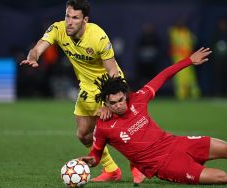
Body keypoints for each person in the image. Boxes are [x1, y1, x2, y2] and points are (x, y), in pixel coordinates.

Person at [80, 47, 227, 185]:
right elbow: (96, 155)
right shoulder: (105, 126)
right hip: (165, 166)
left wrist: (188, 61)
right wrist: (87, 162)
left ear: (125, 95)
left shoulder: (137, 99)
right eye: (113, 102)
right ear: (105, 103)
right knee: (221, 178)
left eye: (121, 99)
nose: (119, 105)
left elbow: (163, 76)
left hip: (176, 143)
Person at [20, 0, 144, 183]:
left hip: (109, 85)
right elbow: (39, 46)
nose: (69, 22)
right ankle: (112, 170)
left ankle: (139, 165)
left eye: (75, 18)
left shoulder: (98, 37)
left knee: (121, 130)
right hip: (87, 86)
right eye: (67, 16)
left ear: (85, 20)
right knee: (84, 134)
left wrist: (109, 101)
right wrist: (33, 57)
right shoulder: (58, 29)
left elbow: (113, 71)